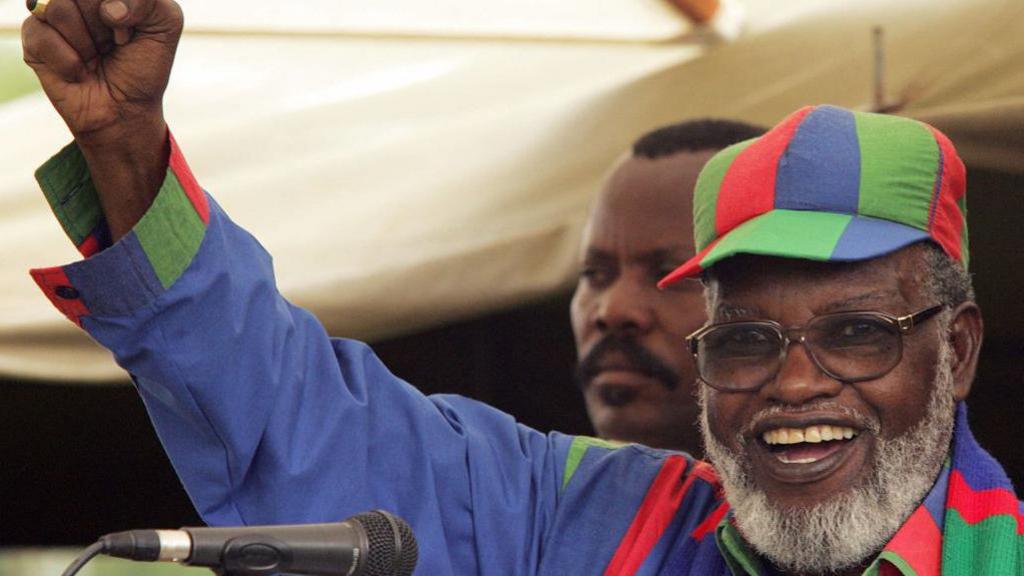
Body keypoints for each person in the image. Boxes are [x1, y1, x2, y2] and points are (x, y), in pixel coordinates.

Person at [22, 1, 1022, 574]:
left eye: (855, 333)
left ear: (959, 347)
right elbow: (304, 424)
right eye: (749, 339)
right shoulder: (585, 520)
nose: (794, 385)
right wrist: (128, 151)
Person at [572, 119, 766, 452]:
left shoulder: (868, 503)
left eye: (671, 273)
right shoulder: (529, 497)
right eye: (595, 273)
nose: (613, 310)